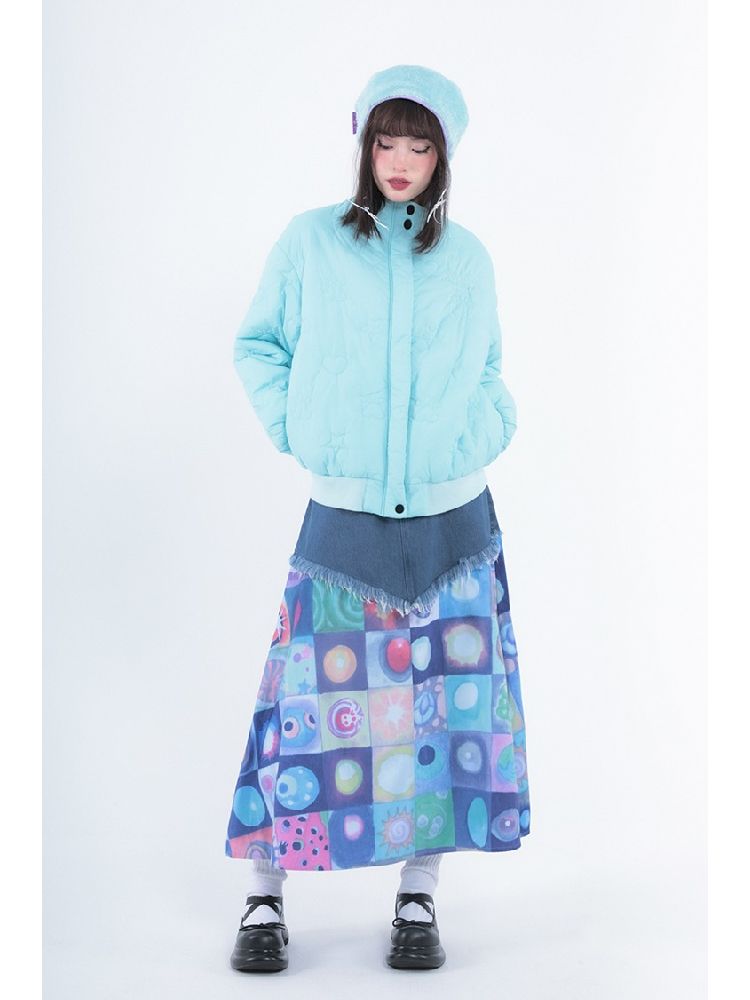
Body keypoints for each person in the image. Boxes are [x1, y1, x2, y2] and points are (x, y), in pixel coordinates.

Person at [224, 64, 531, 973]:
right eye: (385, 141)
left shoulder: (467, 259)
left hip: (451, 520)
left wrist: (480, 431)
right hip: (346, 518)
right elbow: (258, 345)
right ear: (362, 145)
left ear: (444, 158)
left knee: (439, 716)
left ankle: (418, 894)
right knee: (303, 711)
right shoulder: (311, 242)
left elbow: (490, 371)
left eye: (420, 145)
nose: (400, 160)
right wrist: (300, 429)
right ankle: (264, 895)